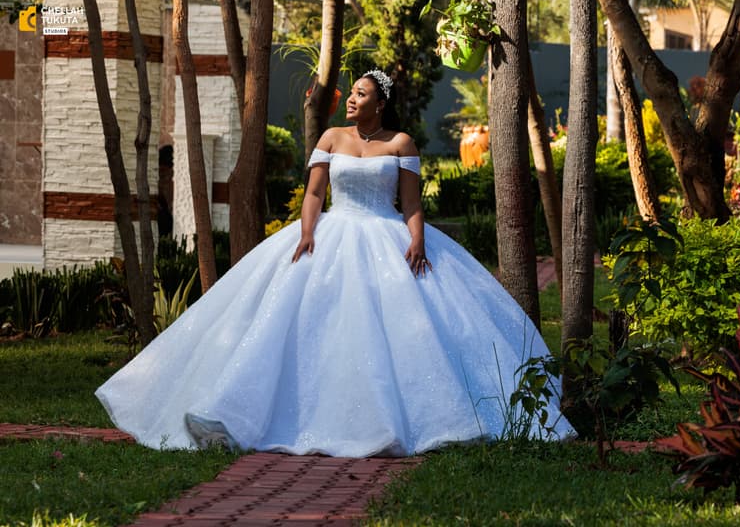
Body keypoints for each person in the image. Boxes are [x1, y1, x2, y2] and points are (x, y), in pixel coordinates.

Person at [95, 70, 575, 457]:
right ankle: (232, 410)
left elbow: (411, 204)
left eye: (361, 94)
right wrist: (307, 231)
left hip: (386, 237)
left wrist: (417, 240)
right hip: (331, 231)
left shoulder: (401, 143)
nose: (351, 99)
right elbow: (315, 192)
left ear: (379, 103)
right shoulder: (331, 136)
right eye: (351, 93)